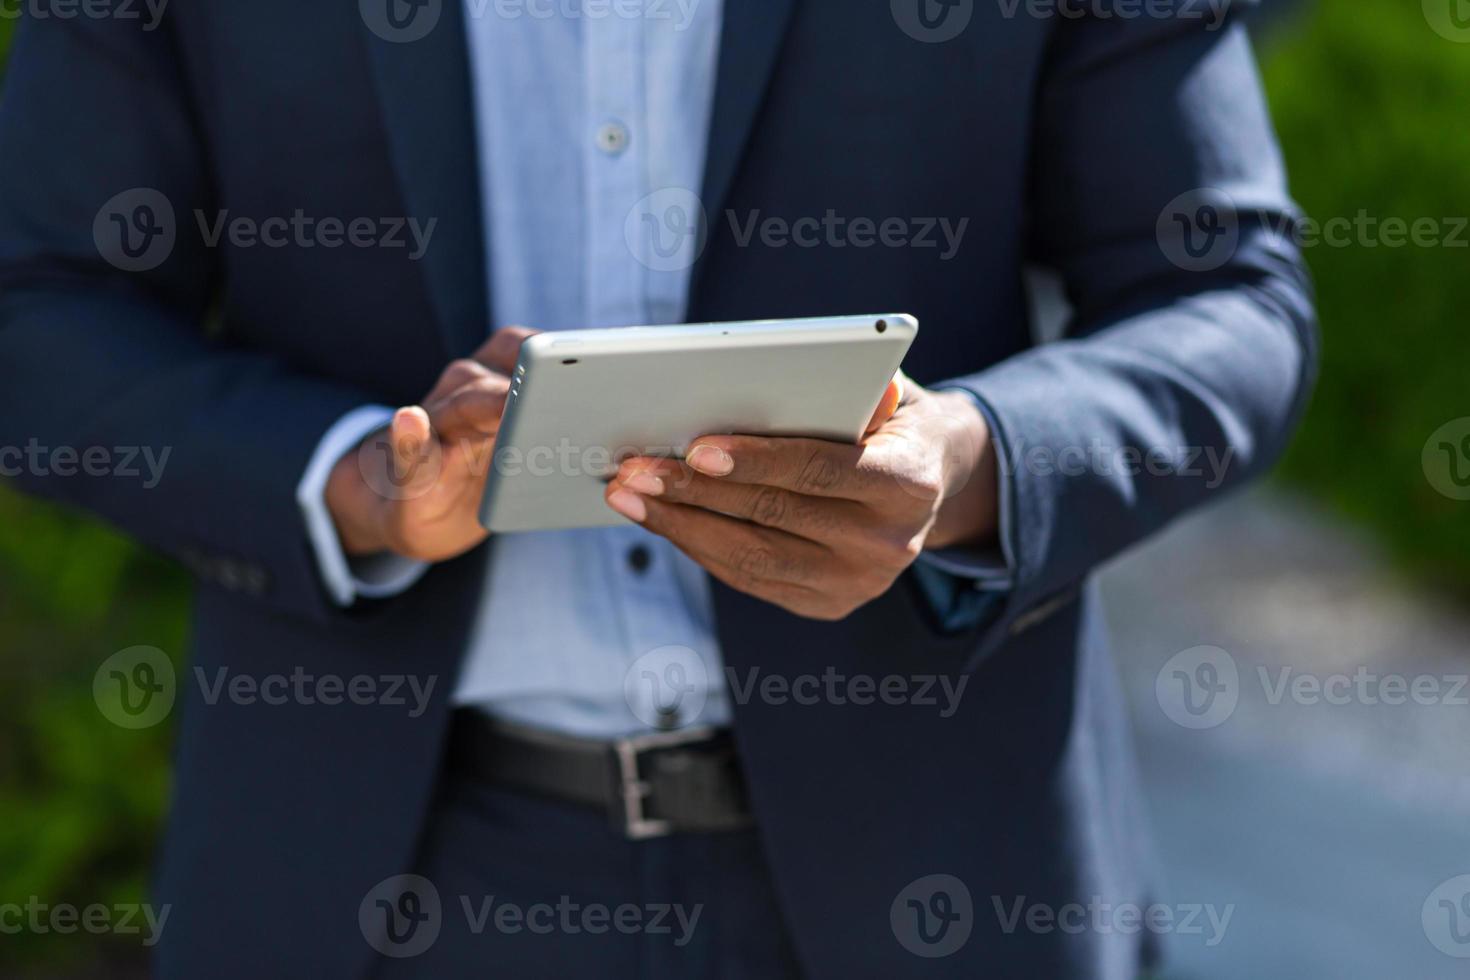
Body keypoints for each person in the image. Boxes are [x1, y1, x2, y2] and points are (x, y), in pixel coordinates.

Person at [0, 1, 1316, 977]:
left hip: (940, 866)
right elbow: (42, 307)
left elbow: (1227, 300)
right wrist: (351, 480)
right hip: (375, 878)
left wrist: (972, 465)